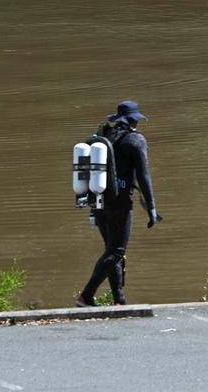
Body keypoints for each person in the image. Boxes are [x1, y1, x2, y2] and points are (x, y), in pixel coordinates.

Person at [76, 100, 160, 306]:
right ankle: (86, 296)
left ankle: (119, 301)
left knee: (111, 250)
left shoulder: (104, 136)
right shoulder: (135, 140)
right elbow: (143, 175)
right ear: (134, 120)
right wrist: (151, 208)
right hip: (120, 203)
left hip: (98, 200)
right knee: (116, 251)